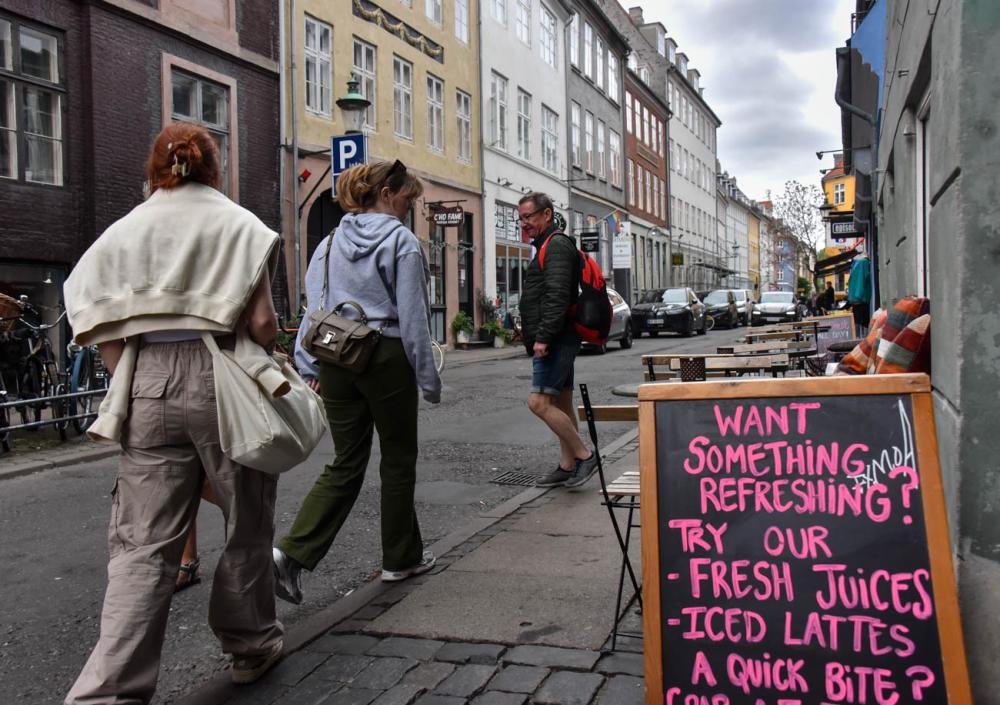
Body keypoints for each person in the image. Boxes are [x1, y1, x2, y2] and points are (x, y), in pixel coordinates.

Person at [62, 123, 286, 703]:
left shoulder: (125, 230)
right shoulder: (238, 225)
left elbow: (85, 308)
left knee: (142, 544)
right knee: (246, 522)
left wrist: (126, 373)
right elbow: (261, 323)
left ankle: (110, 692)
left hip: (148, 380)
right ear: (214, 167)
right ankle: (249, 644)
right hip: (225, 380)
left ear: (154, 169)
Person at [272, 159, 441, 605]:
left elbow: (315, 305)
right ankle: (399, 560)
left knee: (346, 461)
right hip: (384, 353)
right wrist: (428, 378)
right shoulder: (401, 242)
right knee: (399, 459)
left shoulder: (329, 242)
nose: (410, 209)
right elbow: (414, 318)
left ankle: (289, 555)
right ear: (387, 192)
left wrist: (308, 366)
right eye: (408, 199)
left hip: (335, 355)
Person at [516, 192, 598, 489]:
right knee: (561, 402)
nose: (525, 223)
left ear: (547, 214)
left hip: (555, 339)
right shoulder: (546, 245)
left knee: (538, 402)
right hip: (558, 337)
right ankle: (567, 465)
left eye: (530, 217)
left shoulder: (557, 246)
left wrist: (543, 337)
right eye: (521, 218)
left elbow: (558, 295)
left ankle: (585, 455)